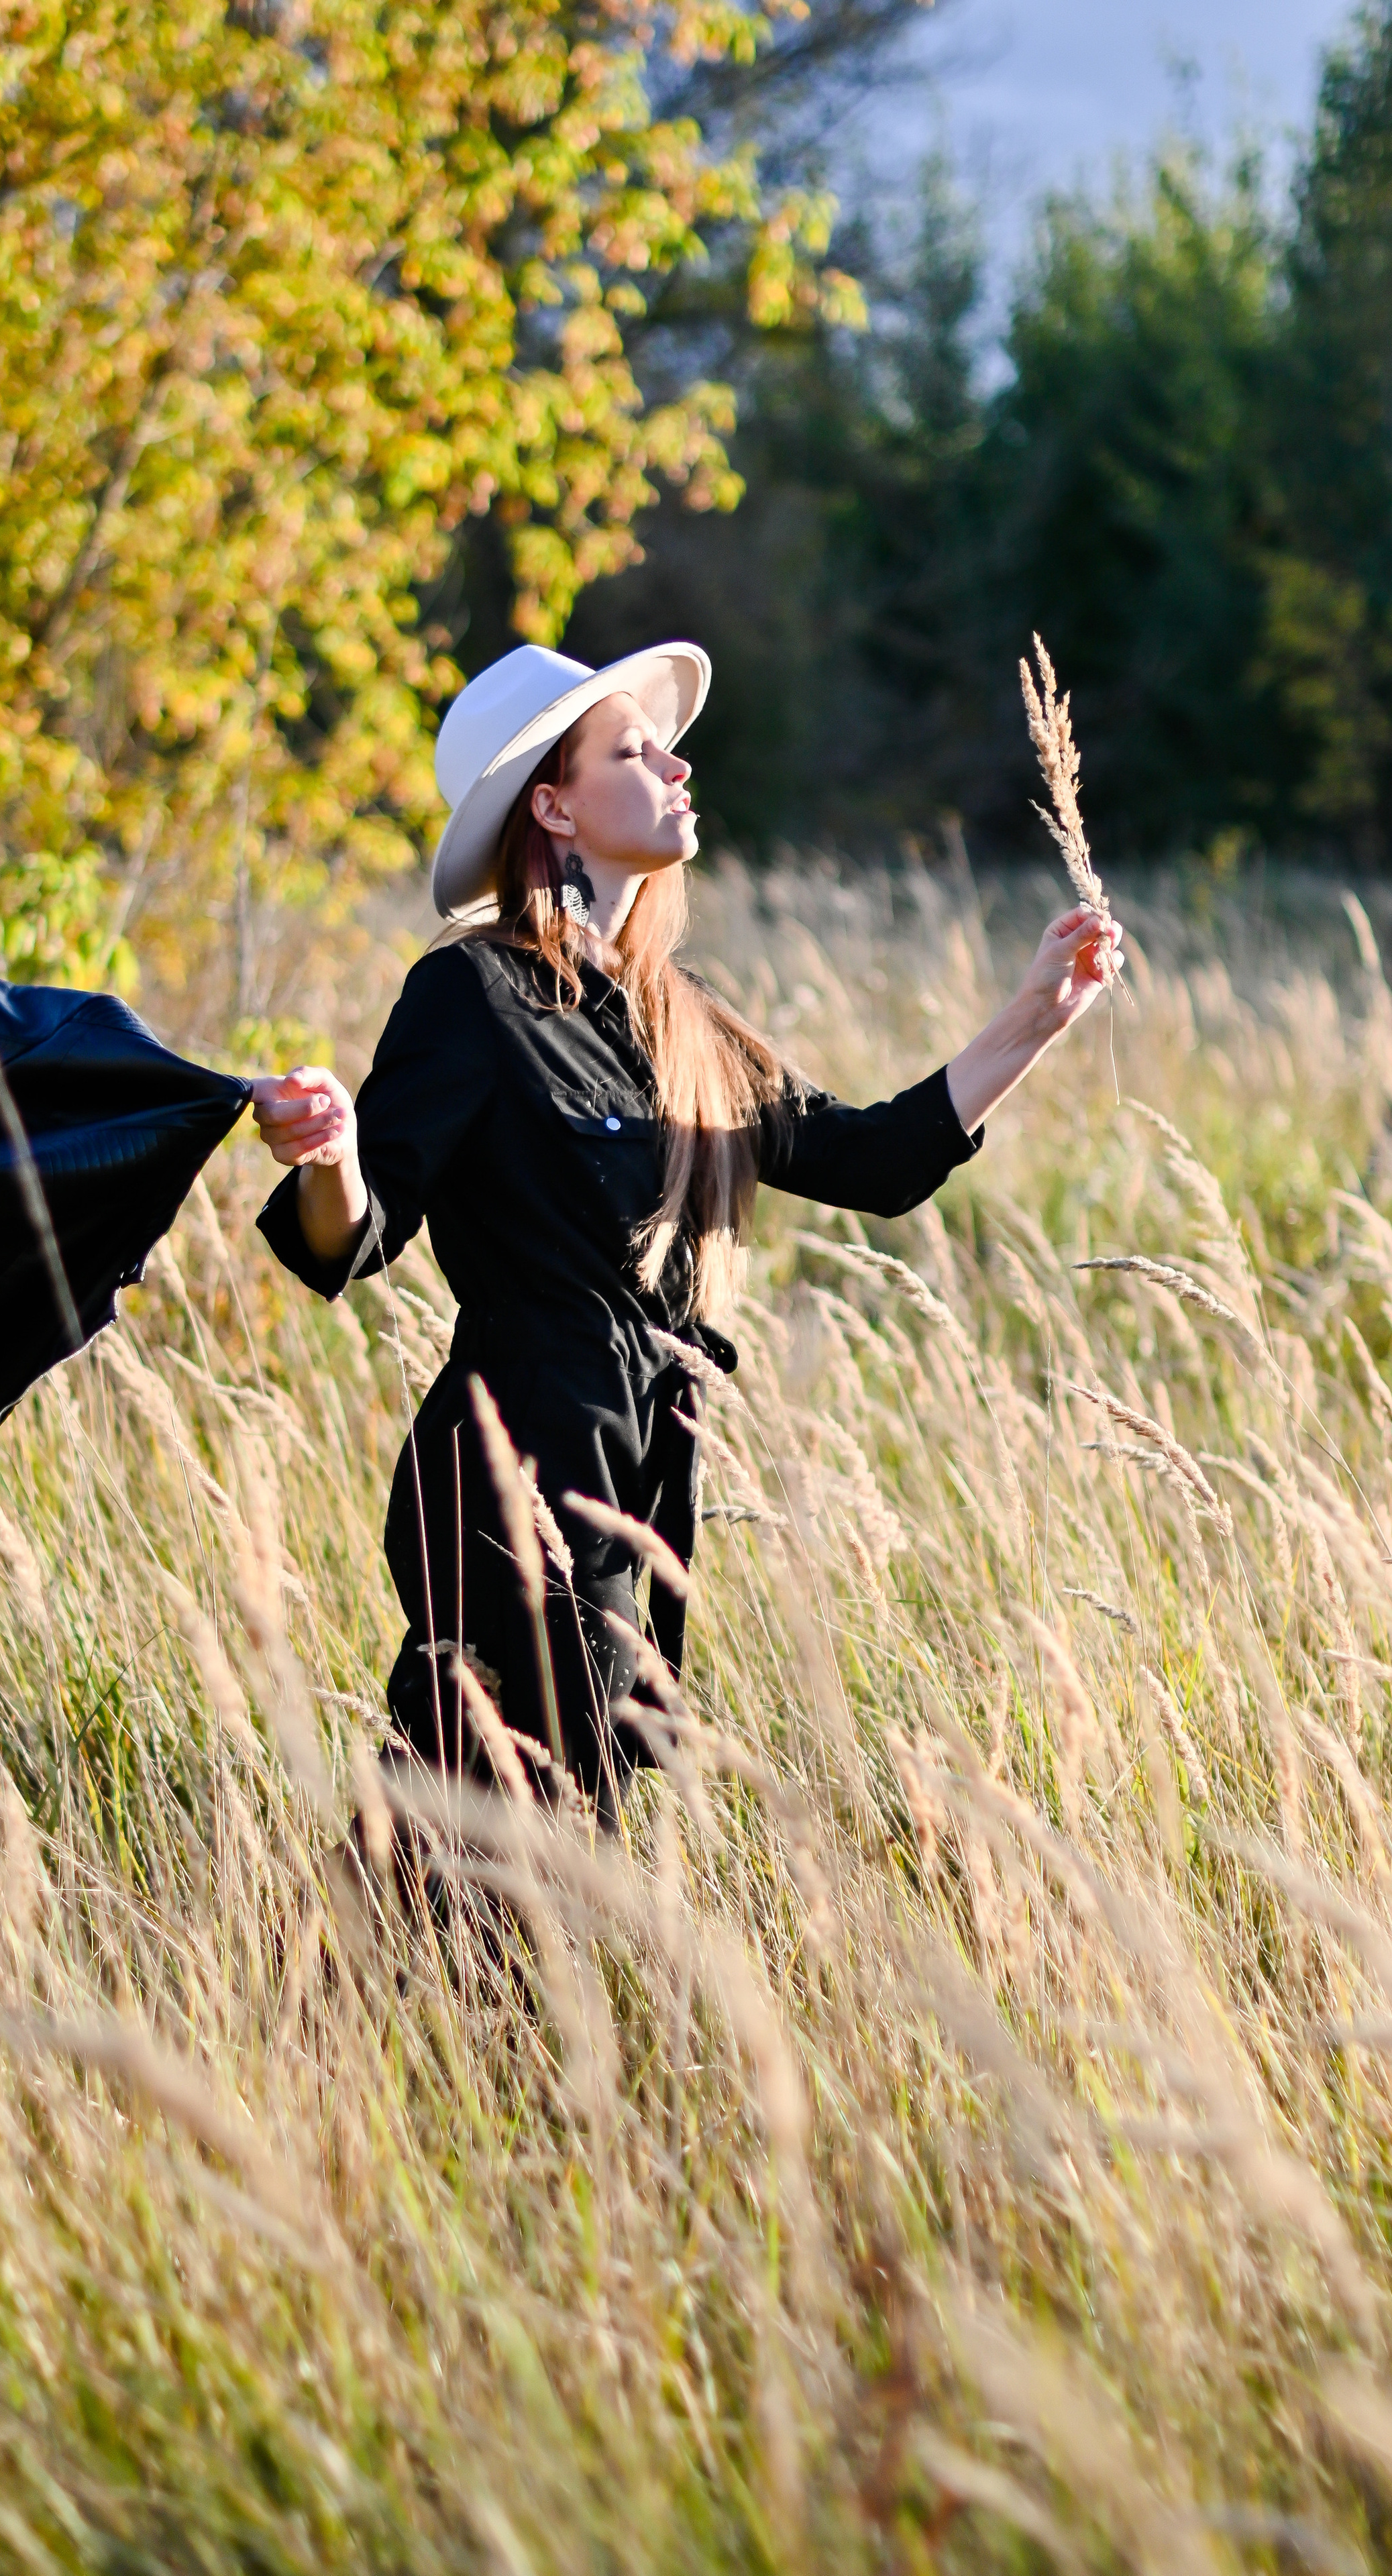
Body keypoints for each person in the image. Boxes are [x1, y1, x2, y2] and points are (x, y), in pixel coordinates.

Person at [252, 641, 1120, 1815]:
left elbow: (872, 1161)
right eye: (633, 749)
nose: (676, 762)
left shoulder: (683, 1019)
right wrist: (332, 1157)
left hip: (639, 1476)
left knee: (513, 1835)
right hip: (512, 1476)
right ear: (552, 807)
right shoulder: (472, 996)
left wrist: (1036, 1016)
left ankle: (353, 1988)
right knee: (517, 1839)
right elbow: (347, 1241)